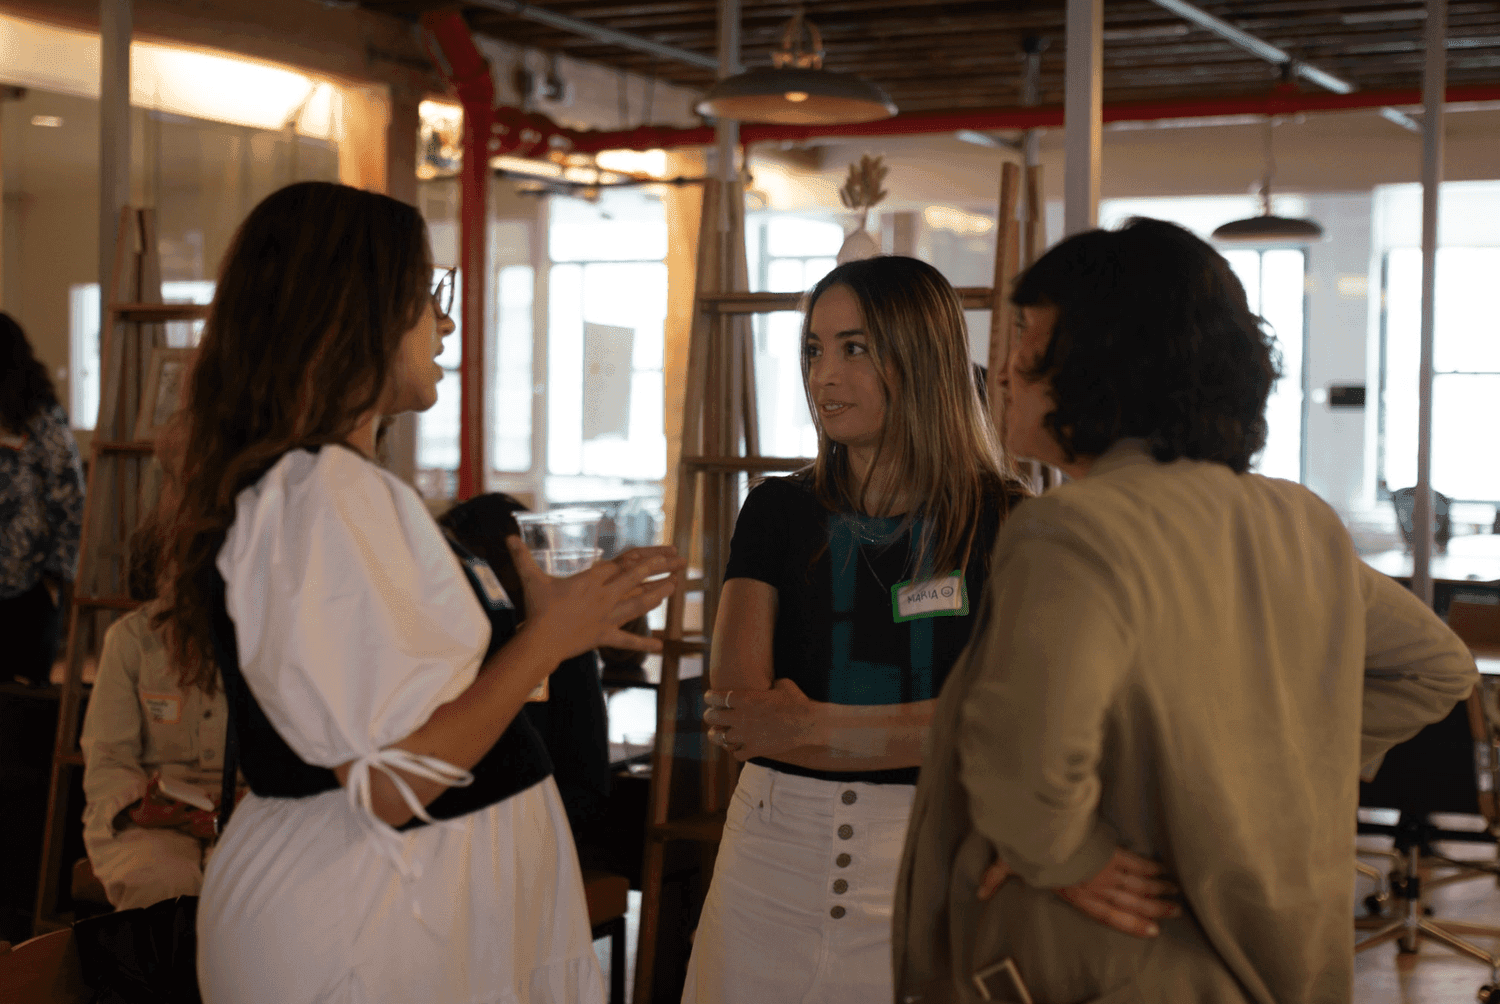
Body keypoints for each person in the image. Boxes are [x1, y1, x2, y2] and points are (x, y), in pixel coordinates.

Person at [892, 217, 1479, 1004]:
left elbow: (1025, 776)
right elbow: (1437, 667)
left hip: (1116, 962)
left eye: (1028, 336)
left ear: (1104, 355)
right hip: (1277, 959)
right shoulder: (1297, 521)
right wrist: (1257, 776)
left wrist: (1064, 853)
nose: (1001, 372)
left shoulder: (1074, 528)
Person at [157, 181, 683, 1004]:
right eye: (425, 296)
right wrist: (546, 642)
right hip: (365, 913)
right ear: (351, 311)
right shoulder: (323, 493)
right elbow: (394, 783)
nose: (443, 323)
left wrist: (548, 629)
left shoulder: (334, 488)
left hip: (391, 902)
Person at [683, 256, 1030, 1004]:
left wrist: (810, 726)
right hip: (769, 858)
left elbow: (1008, 729)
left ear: (923, 357)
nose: (824, 377)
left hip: (931, 859)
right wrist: (923, 727)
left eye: (855, 348)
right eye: (814, 349)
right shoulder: (776, 510)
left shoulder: (1007, 520)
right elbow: (742, 716)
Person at [81, 516, 230, 911]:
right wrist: (140, 807)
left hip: (246, 816)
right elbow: (108, 758)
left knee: (240, 888)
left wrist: (237, 810)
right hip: (147, 821)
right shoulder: (129, 641)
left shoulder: (265, 641)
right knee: (164, 887)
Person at [0, 311, 85, 686]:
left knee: (22, 707)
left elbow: (70, 501)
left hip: (30, 589)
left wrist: (55, 577)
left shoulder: (42, 420)